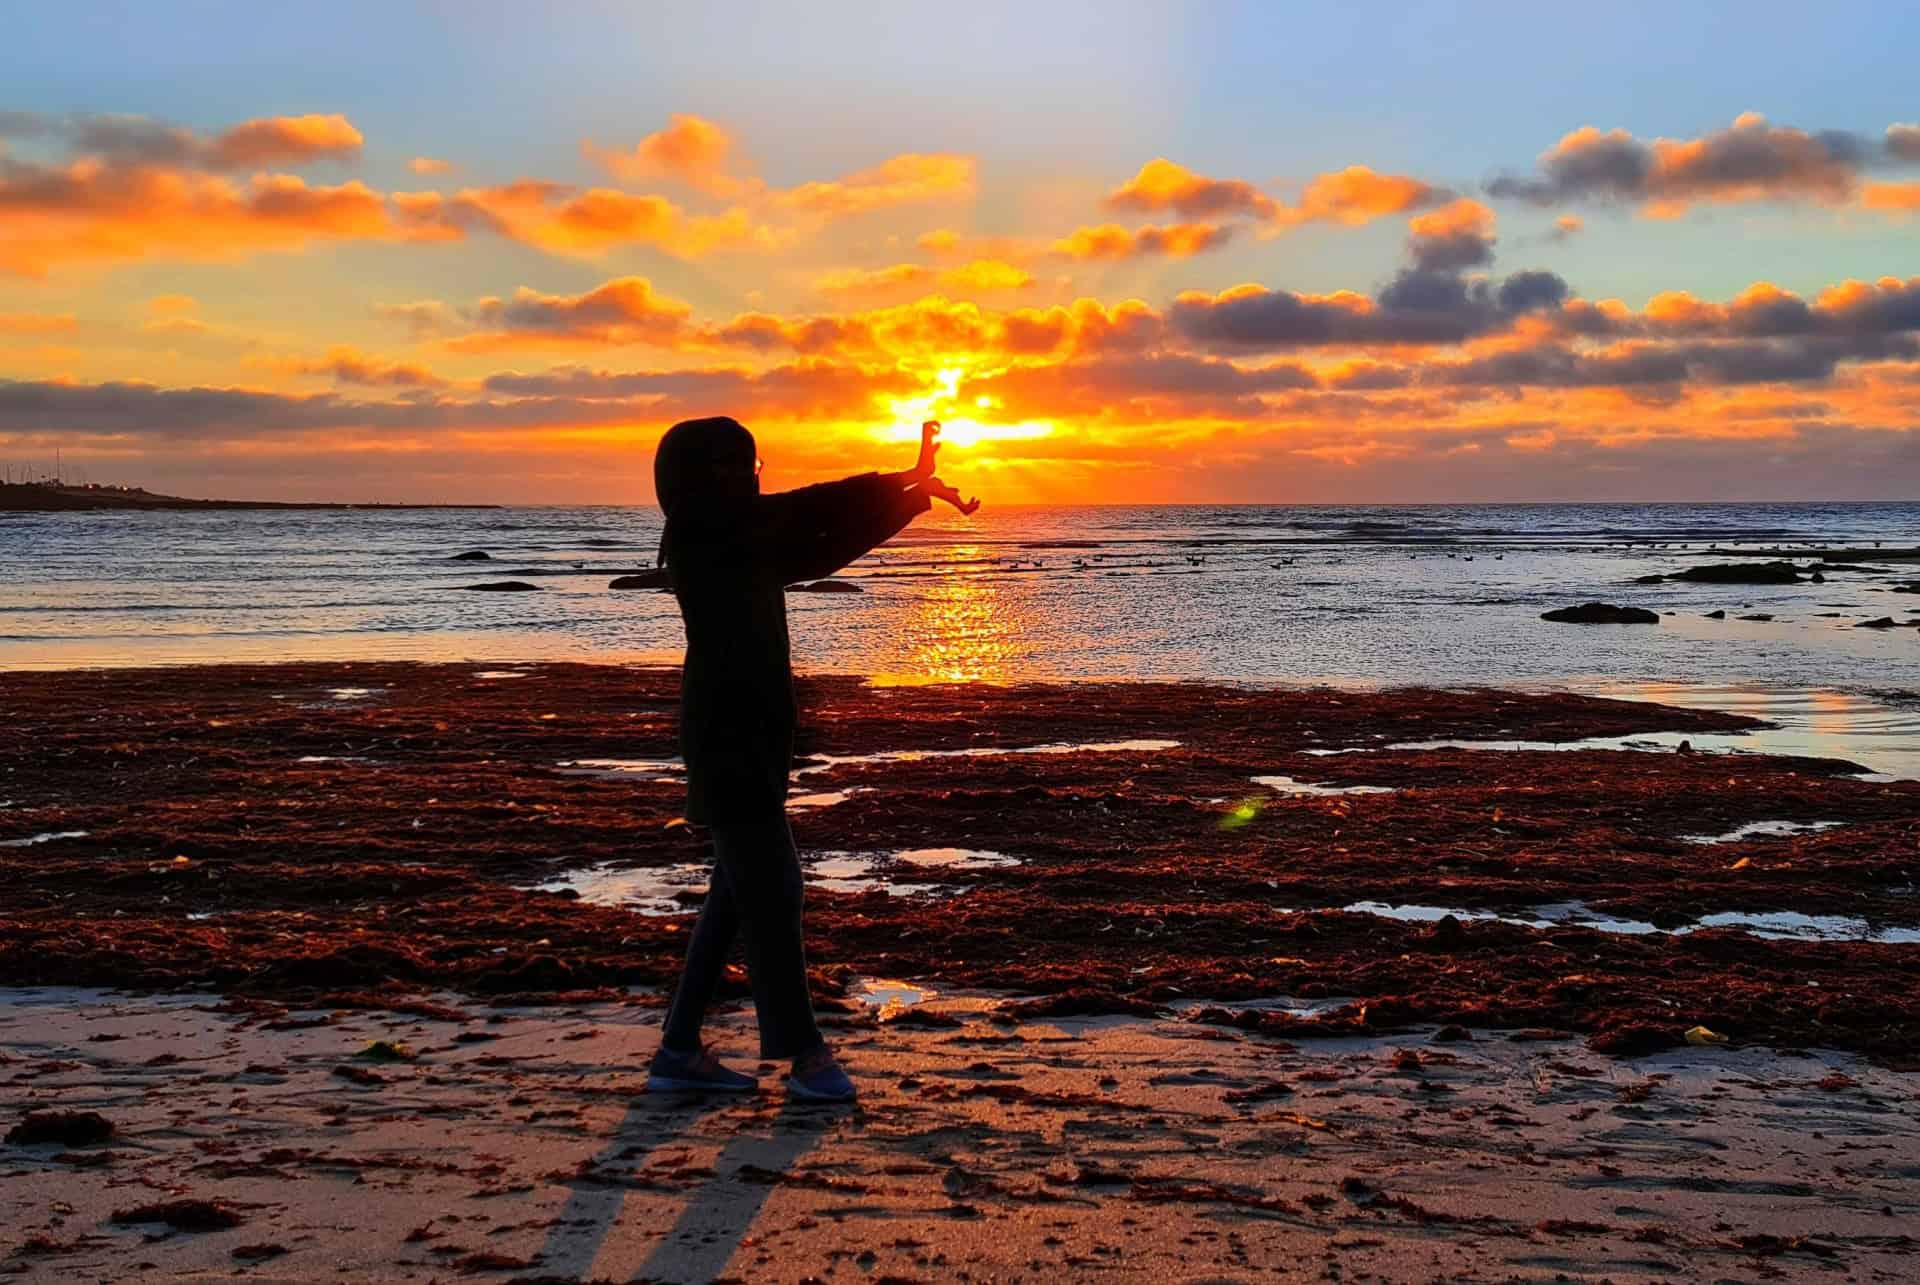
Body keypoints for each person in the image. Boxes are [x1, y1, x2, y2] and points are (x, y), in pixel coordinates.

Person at [645, 415, 978, 1101]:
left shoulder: (734, 534)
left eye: (751, 464)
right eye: (736, 467)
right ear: (701, 479)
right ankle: (804, 1054)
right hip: (728, 742)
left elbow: (816, 535)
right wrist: (902, 485)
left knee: (737, 892)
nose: (752, 477)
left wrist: (907, 491)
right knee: (774, 887)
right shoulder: (711, 535)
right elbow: (808, 517)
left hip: (754, 737)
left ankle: (678, 1048)